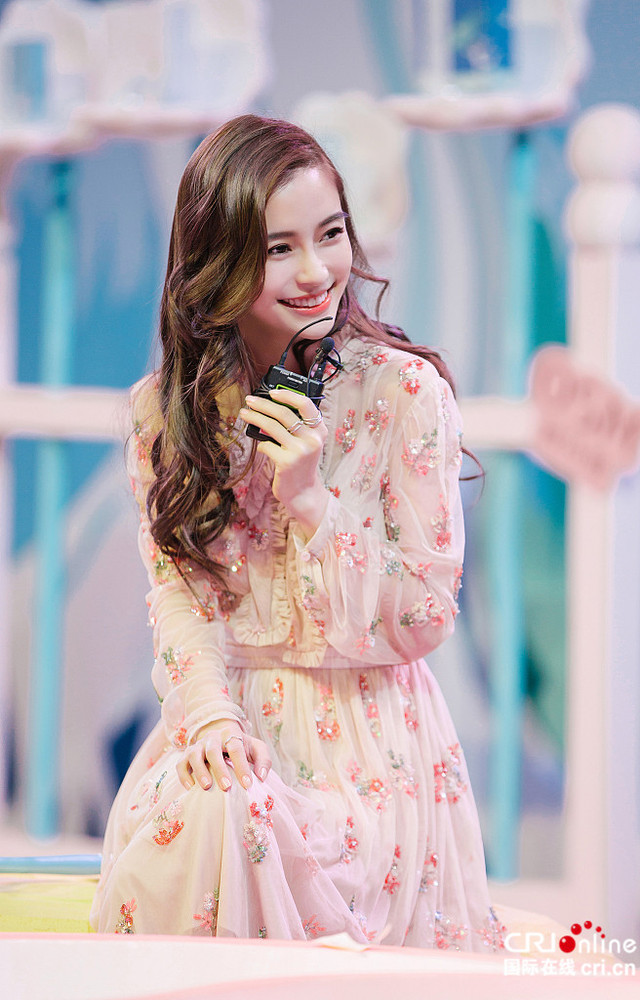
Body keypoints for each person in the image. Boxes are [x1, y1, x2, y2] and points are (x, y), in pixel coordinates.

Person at [90, 114, 506, 950]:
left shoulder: (404, 394)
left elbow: (425, 616)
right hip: (228, 734)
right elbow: (179, 594)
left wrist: (313, 502)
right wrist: (211, 722)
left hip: (372, 751)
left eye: (331, 234)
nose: (317, 271)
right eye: (279, 248)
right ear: (218, 261)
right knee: (204, 821)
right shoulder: (162, 414)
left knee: (252, 835)